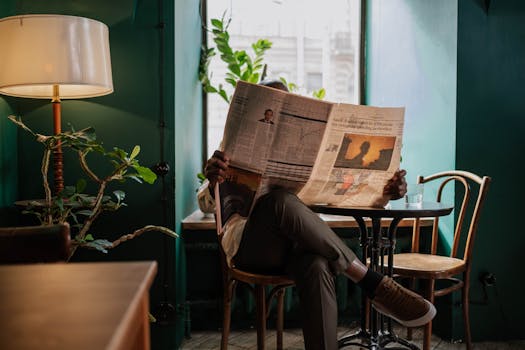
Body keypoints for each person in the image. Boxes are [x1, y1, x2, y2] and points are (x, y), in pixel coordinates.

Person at [197, 80, 436, 350]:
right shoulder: (230, 147)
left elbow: (342, 194)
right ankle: (371, 280)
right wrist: (214, 181)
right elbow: (206, 204)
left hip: (296, 247)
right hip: (252, 248)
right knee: (277, 201)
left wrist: (388, 190)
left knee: (317, 265)